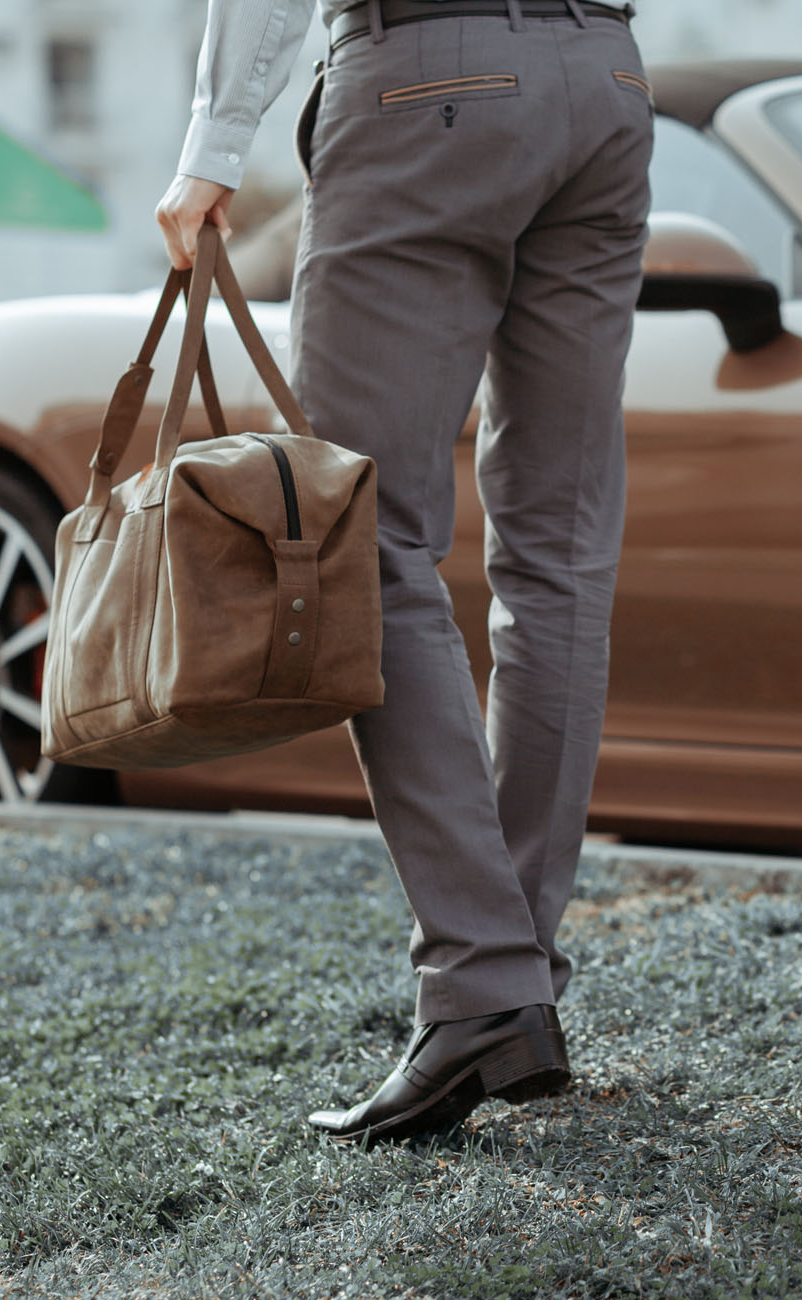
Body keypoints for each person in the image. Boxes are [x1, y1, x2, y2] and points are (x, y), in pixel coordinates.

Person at [155, 0, 652, 1146]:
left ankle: (486, 982)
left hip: (428, 77)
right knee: (560, 559)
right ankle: (510, 983)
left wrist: (212, 146)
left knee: (357, 536)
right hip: (609, 83)